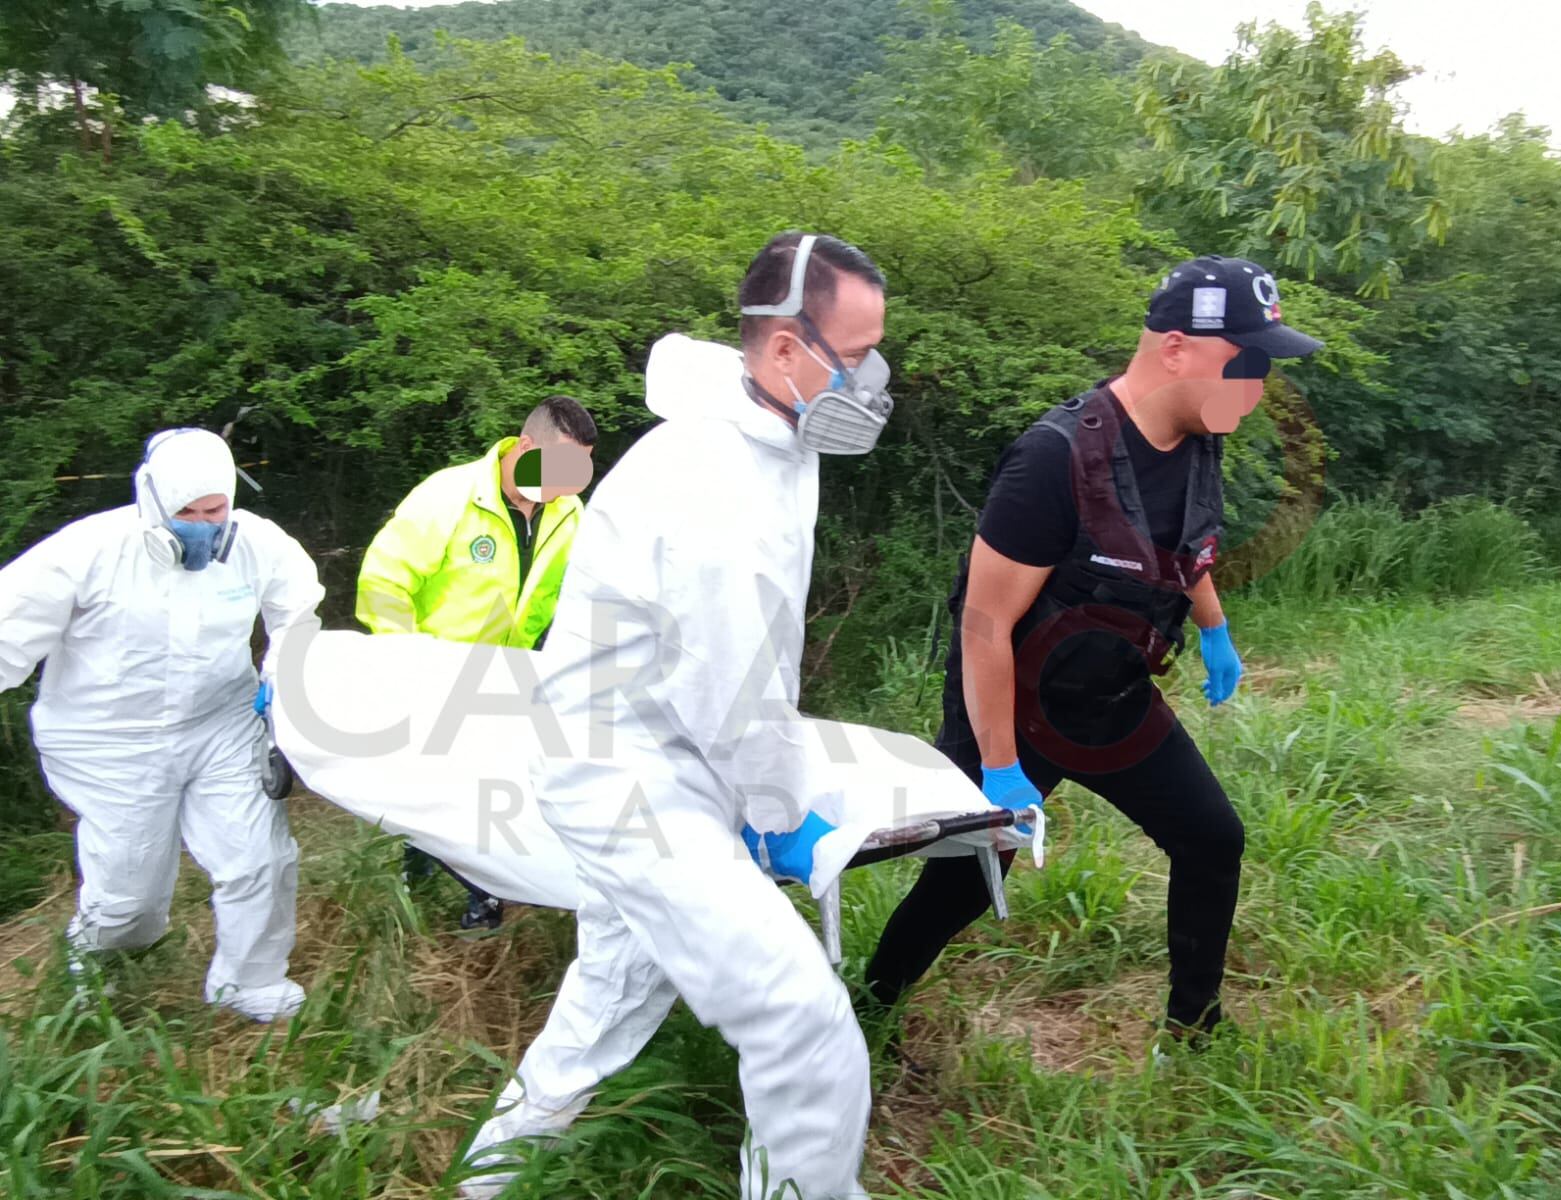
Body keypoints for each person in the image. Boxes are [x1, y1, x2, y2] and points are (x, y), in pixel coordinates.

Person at [459, 232, 894, 1199]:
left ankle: (487, 1176)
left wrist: (758, 796)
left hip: (670, 758)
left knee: (612, 990)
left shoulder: (777, 423)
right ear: (785, 348)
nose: (872, 382)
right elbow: (729, 685)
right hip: (626, 780)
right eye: (856, 356)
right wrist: (783, 814)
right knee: (799, 1015)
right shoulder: (709, 481)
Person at [864, 255, 1324, 1044]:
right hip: (1011, 702)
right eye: (1244, 363)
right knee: (964, 885)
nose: (1257, 387)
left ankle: (1195, 1029)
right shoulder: (1054, 459)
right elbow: (983, 623)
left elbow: (1186, 551)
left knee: (1213, 839)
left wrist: (1213, 629)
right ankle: (867, 1009)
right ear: (1175, 350)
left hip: (1111, 697)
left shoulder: (1199, 432)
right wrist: (1002, 768)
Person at [0, 428, 324, 1021]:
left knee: (260, 859)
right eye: (187, 512)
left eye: (215, 509)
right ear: (151, 500)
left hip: (222, 725)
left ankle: (249, 984)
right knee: (130, 900)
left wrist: (281, 676)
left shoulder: (256, 543)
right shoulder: (85, 552)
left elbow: (297, 610)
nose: (203, 524)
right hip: (109, 740)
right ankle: (95, 962)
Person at [355, 396, 597, 929]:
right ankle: (468, 895)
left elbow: (568, 597)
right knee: (438, 790)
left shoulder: (567, 513)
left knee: (485, 789)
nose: (564, 487)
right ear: (526, 448)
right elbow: (383, 579)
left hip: (507, 678)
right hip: (434, 675)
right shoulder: (449, 497)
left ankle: (447, 875)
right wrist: (405, 657)